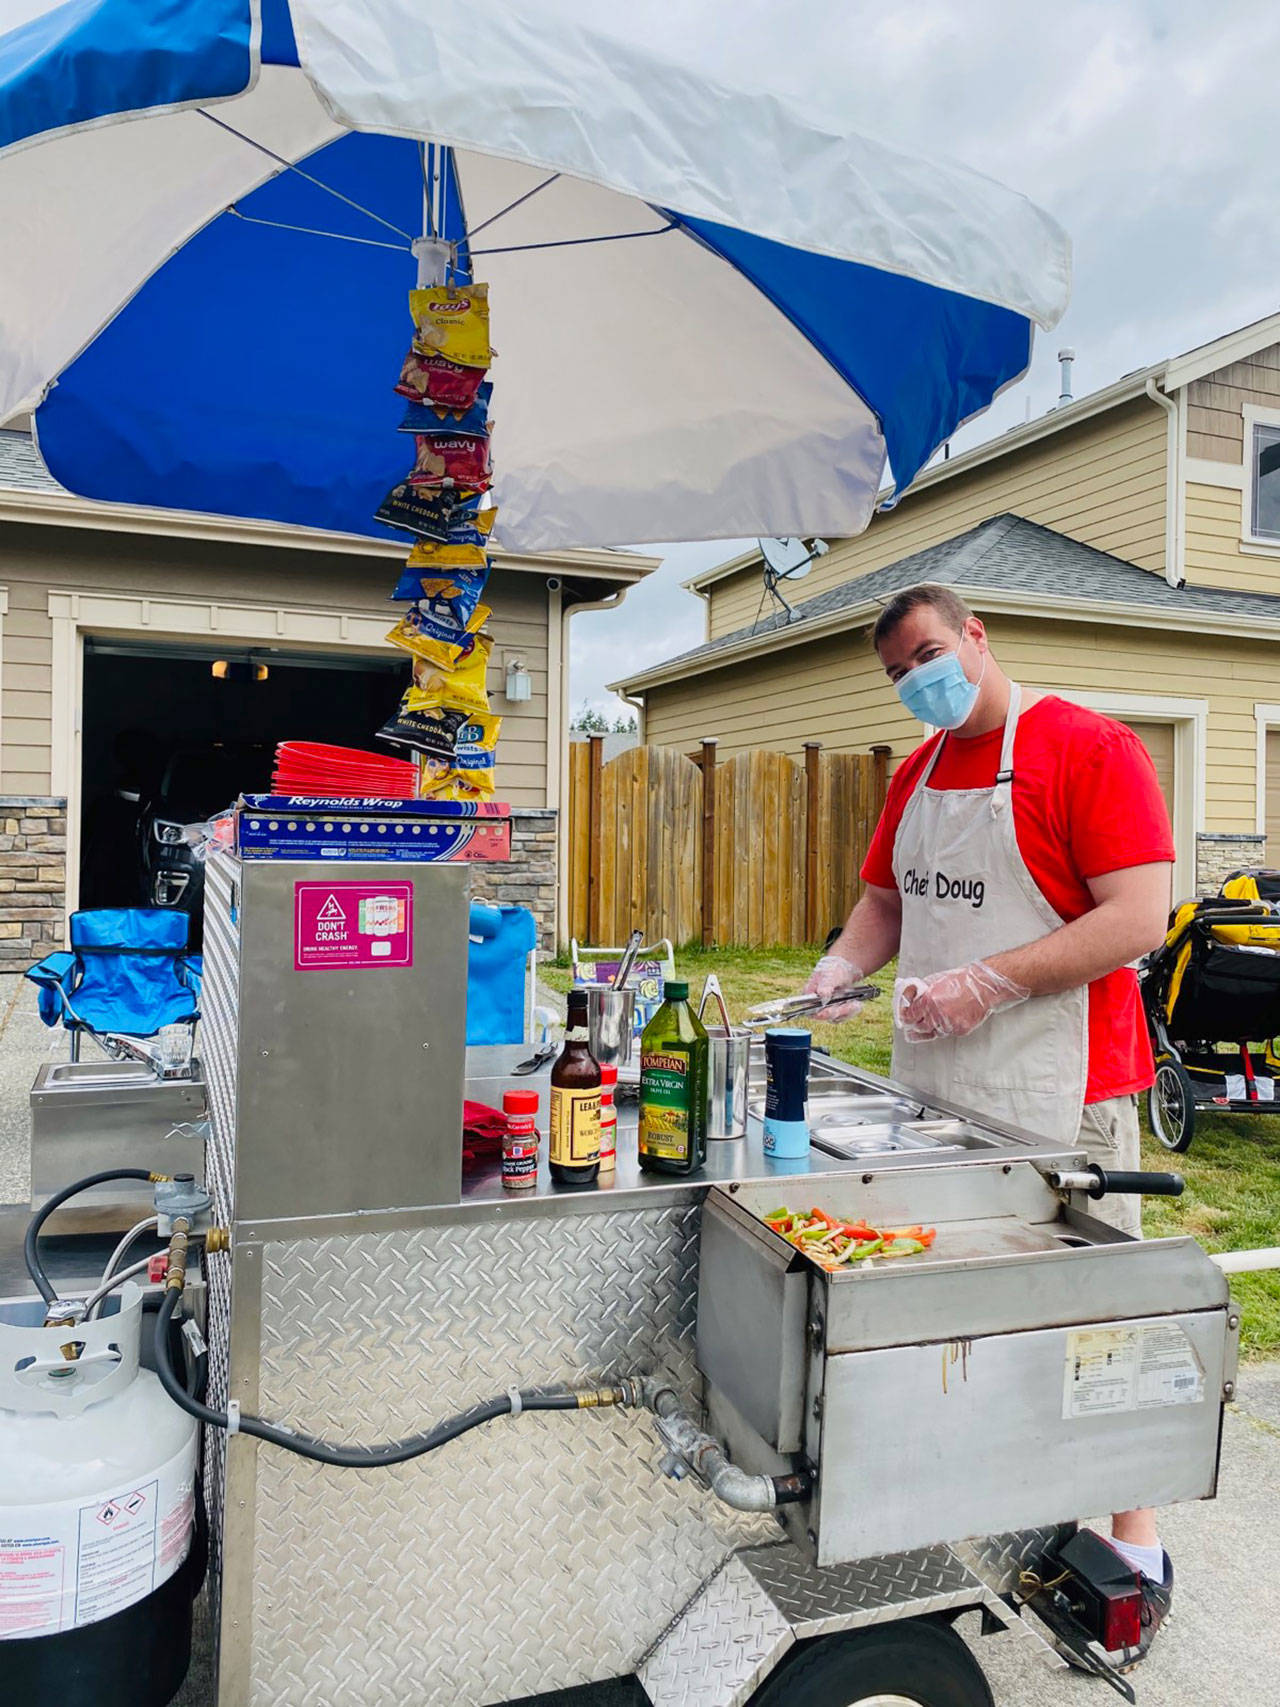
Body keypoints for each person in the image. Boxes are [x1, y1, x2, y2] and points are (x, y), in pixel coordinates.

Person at [803, 582, 1176, 1671]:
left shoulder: (1085, 749)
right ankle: (996, 1507)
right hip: (938, 1090)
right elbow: (884, 899)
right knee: (965, 1314)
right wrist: (841, 964)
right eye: (893, 673)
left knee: (1091, 1324)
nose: (914, 679)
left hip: (1065, 1093)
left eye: (923, 653)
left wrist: (989, 983)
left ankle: (1134, 1552)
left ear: (973, 636)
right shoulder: (916, 771)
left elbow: (1136, 915)